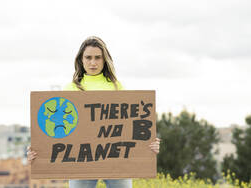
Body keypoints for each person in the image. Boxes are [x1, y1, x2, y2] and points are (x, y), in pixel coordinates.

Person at [27, 36, 161, 188]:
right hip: (80, 163)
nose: (93, 62)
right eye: (88, 57)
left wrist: (148, 144)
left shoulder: (117, 87)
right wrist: (38, 151)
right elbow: (58, 128)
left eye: (98, 58)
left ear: (104, 60)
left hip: (116, 161)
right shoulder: (70, 89)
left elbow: (129, 125)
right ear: (81, 60)